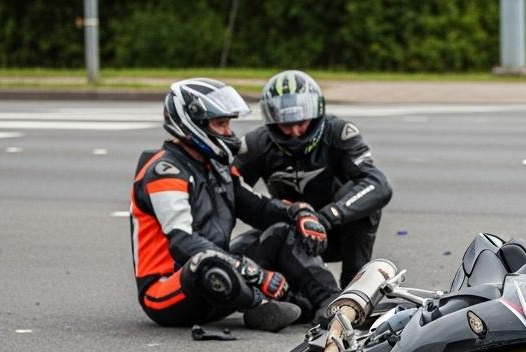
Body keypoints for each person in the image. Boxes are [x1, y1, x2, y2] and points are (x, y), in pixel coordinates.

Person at [130, 78, 342, 332]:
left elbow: (259, 208)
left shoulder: (217, 166)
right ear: (193, 123)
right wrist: (255, 273)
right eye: (221, 124)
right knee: (206, 261)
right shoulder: (164, 171)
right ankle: (260, 305)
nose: (228, 132)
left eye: (228, 123)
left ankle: (334, 304)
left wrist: (299, 212)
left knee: (283, 230)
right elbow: (183, 243)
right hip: (167, 291)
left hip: (222, 279)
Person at [236, 70, 393, 288]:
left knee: (361, 200)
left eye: (301, 122)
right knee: (232, 253)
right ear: (271, 121)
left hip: (336, 231)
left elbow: (378, 184)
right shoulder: (256, 144)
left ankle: (354, 285)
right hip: (290, 230)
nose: (295, 132)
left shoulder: (339, 133)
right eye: (286, 124)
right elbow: (230, 192)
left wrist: (327, 217)